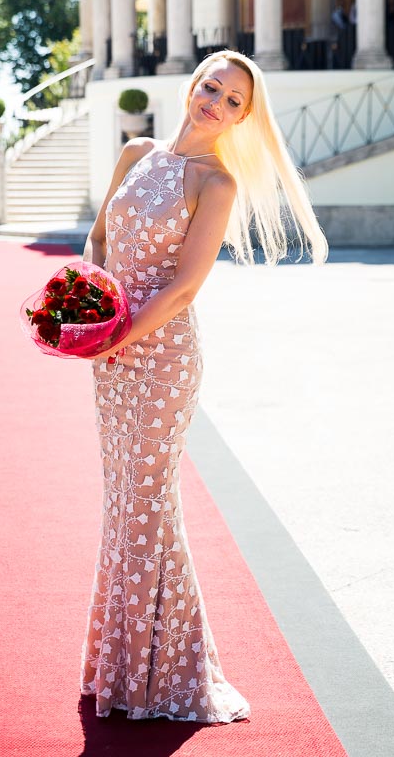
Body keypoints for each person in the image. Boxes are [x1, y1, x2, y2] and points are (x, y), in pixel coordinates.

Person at [80, 49, 327, 723]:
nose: (215, 102)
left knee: (148, 506)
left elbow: (185, 285)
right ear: (193, 86)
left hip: (160, 362)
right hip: (110, 356)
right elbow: (99, 238)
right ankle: (121, 664)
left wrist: (118, 336)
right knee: (121, 503)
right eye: (211, 87)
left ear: (242, 118)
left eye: (232, 101)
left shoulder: (215, 183)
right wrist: (79, 305)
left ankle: (171, 677)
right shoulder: (136, 154)